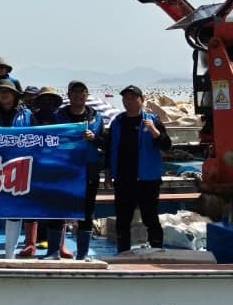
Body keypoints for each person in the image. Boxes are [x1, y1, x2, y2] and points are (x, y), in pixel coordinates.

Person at [107, 84, 171, 253]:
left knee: (150, 218)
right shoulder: (117, 122)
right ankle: (123, 252)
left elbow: (167, 145)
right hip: (123, 178)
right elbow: (110, 148)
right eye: (125, 98)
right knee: (123, 220)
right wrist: (108, 173)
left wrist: (153, 130)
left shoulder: (153, 120)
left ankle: (157, 250)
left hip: (148, 179)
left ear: (141, 100)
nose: (128, 101)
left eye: (132, 98)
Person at [0, 79, 32, 258]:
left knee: (14, 210)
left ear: (15, 95)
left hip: (19, 167)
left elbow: (40, 138)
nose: (4, 94)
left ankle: (10, 253)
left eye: (8, 91)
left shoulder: (28, 115)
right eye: (1, 91)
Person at [56, 80, 105, 260]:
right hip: (64, 170)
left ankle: (82, 254)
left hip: (89, 171)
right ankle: (54, 251)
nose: (77, 95)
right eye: (74, 92)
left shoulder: (97, 118)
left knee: (86, 213)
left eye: (81, 92)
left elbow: (106, 144)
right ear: (68, 95)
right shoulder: (58, 117)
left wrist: (95, 138)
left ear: (87, 95)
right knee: (58, 210)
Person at [29, 86, 73, 259]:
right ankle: (32, 242)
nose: (47, 103)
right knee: (36, 204)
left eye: (51, 99)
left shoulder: (62, 117)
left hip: (58, 167)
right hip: (38, 165)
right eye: (44, 99)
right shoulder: (33, 118)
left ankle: (60, 245)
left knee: (58, 206)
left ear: (56, 102)